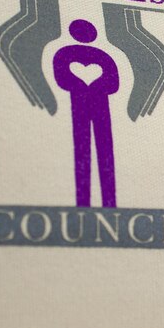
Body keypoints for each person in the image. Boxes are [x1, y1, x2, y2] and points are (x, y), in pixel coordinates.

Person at [53, 19, 120, 207]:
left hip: (101, 106)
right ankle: (83, 201)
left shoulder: (103, 56)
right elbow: (62, 78)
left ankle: (110, 201)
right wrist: (81, 85)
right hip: (78, 104)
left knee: (105, 150)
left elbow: (114, 84)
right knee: (82, 149)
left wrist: (95, 86)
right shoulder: (64, 53)